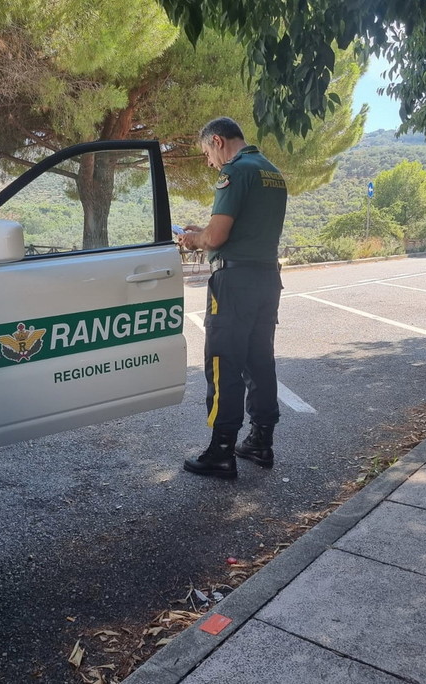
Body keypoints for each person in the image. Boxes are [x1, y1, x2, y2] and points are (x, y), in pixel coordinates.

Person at [179, 117, 286, 479]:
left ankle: (221, 451)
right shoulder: (271, 172)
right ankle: (260, 440)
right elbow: (243, 229)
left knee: (224, 363)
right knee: (259, 360)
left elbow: (218, 236)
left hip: (235, 281)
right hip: (267, 278)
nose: (209, 162)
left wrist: (193, 239)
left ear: (218, 141)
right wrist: (204, 231)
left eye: (207, 152)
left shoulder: (235, 172)